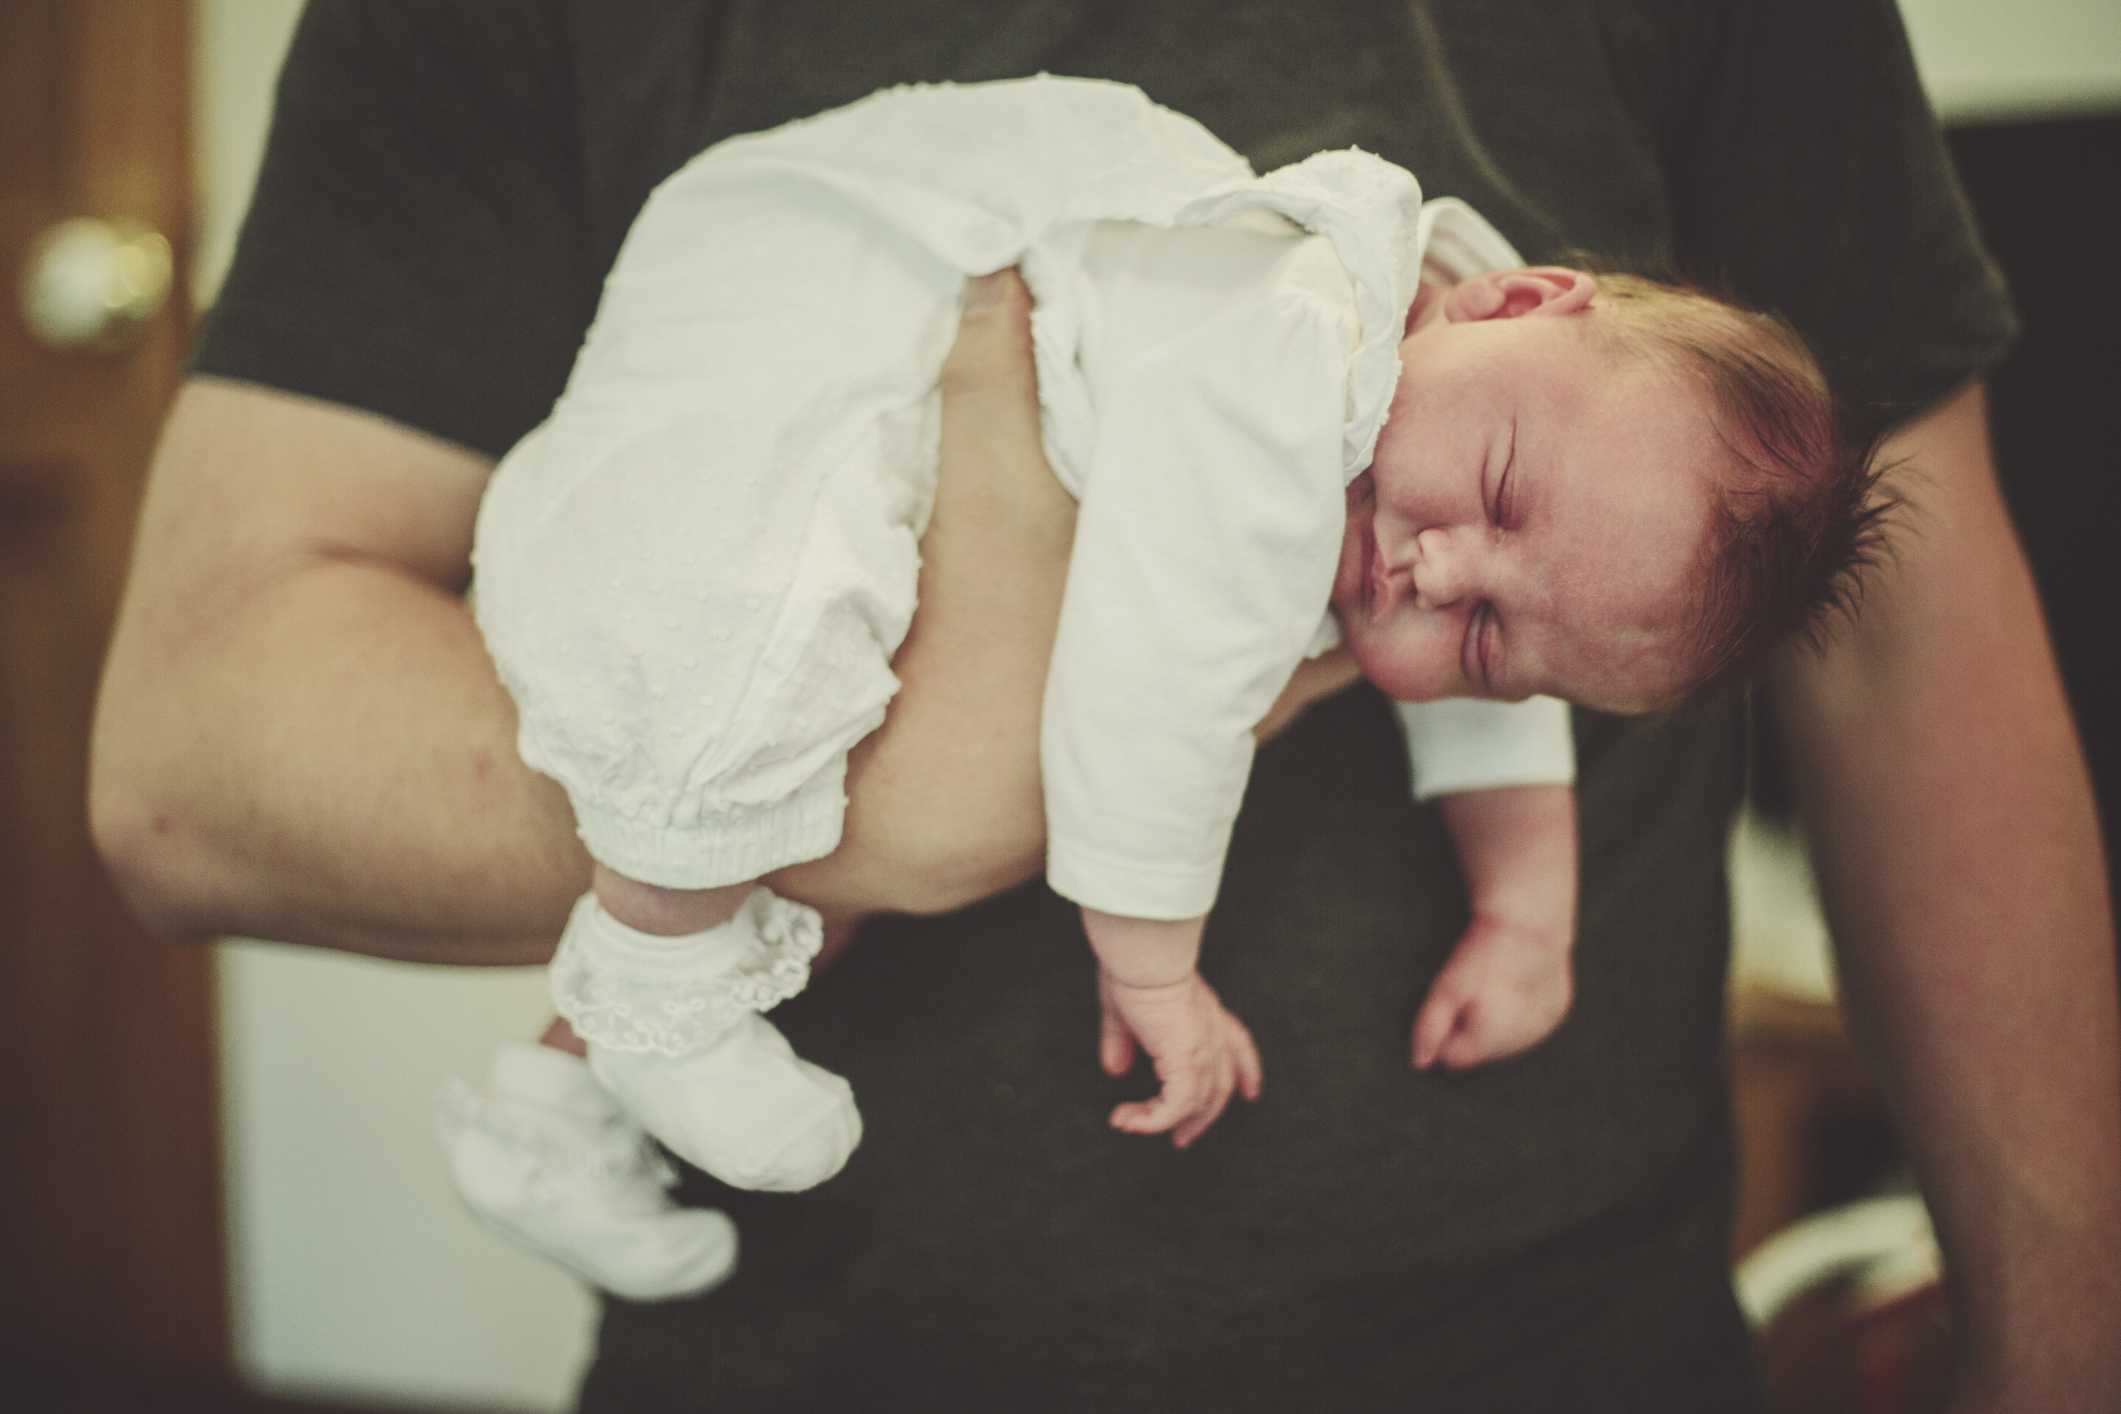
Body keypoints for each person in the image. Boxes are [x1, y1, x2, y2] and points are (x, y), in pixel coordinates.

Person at [88, 2, 2119, 1409]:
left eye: (1500, 631)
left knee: (850, 778)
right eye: (1486, 506)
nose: (1430, 577)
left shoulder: (1496, 458)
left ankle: (556, 1099)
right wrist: (1149, 959)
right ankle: (655, 1000)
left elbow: (1539, 669)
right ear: (1516, 291)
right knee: (789, 679)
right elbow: (1144, 693)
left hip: (1566, 1345)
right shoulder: (1297, 348)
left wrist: (1526, 905)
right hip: (814, 322)